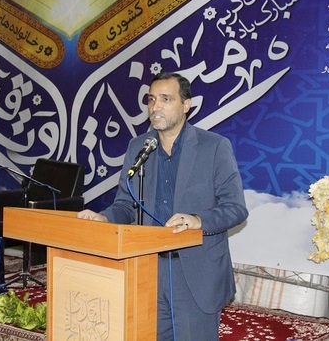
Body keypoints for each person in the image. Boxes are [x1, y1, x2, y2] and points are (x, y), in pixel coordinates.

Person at [78, 72, 248, 341]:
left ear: (186, 104)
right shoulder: (139, 147)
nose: (155, 106)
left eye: (166, 99)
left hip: (195, 273)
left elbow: (236, 208)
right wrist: (104, 218)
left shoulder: (214, 147)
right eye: (151, 99)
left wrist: (197, 220)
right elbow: (126, 204)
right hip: (148, 269)